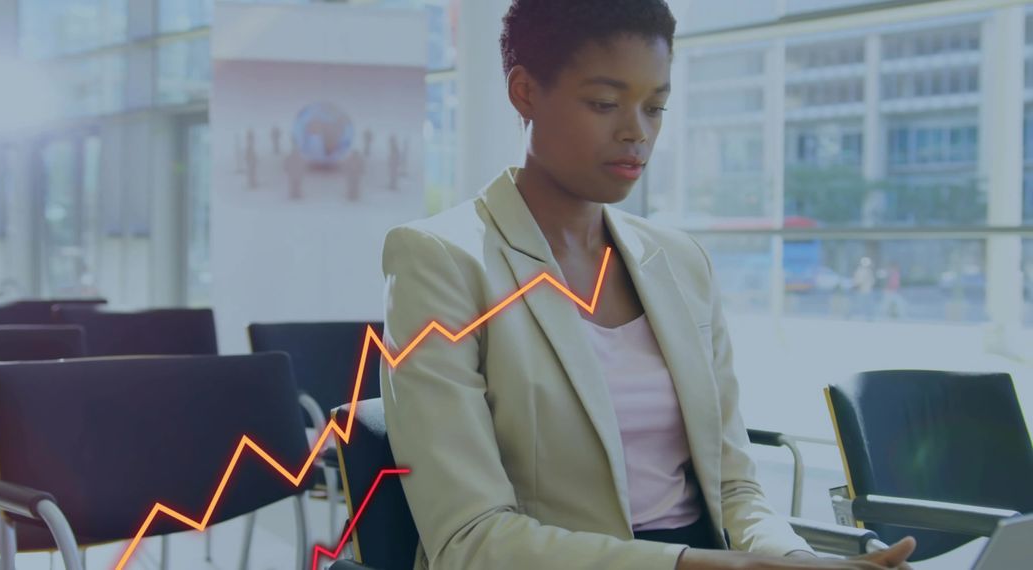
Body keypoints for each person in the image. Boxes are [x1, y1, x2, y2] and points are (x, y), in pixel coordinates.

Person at [378, 2, 916, 569]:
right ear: (526, 92)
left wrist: (799, 561)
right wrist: (697, 566)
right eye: (605, 104)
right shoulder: (441, 259)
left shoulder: (681, 262)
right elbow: (470, 539)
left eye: (655, 107)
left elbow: (735, 491)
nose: (636, 131)